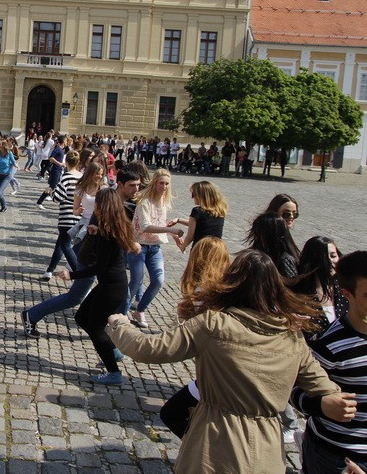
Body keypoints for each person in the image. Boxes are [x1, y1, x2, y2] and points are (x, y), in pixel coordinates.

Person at [108, 249, 354, 473]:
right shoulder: (292, 337)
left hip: (214, 446)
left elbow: (148, 348)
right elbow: (325, 389)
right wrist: (329, 402)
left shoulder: (213, 324)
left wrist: (120, 325)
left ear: (232, 282)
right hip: (267, 453)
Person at [47, 188, 140, 384]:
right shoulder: (114, 226)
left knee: (95, 328)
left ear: (101, 205)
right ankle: (113, 352)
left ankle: (114, 373)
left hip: (111, 287)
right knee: (81, 317)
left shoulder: (107, 232)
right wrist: (96, 232)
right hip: (111, 284)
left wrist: (71, 275)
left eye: (97, 202)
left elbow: (99, 267)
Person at [292, 250, 366, 472]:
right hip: (336, 456)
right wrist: (322, 406)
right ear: (347, 295)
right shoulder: (329, 345)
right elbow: (293, 388)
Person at [158, 237, 231, 438]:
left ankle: (201, 449)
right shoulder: (230, 287)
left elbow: (187, 338)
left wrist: (184, 316)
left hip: (216, 372)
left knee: (170, 414)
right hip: (226, 368)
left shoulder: (202, 293)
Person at [126, 168, 182, 328]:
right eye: (161, 183)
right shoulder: (145, 201)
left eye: (167, 184)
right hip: (138, 245)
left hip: (155, 247)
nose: (164, 187)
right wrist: (172, 230)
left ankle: (140, 310)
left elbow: (159, 223)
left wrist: (173, 235)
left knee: (158, 280)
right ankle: (122, 312)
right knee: (136, 280)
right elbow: (145, 226)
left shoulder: (164, 200)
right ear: (154, 183)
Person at [40, 150, 82, 280]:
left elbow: (58, 197)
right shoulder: (82, 177)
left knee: (65, 245)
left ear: (66, 162)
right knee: (61, 243)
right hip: (79, 215)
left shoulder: (67, 177)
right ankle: (49, 271)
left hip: (67, 215)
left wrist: (50, 192)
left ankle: (79, 275)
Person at [173, 181, 227, 252]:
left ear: (201, 196)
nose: (192, 197)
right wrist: (179, 220)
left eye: (193, 194)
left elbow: (190, 237)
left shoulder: (197, 211)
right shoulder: (219, 211)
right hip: (217, 249)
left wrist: (182, 247)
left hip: (201, 248)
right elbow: (202, 225)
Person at [0, 139, 17, 213]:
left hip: (7, 176)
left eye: (0, 144)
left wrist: (16, 166)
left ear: (3, 145)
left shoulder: (9, 153)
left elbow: (13, 162)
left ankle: (4, 206)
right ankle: (4, 207)